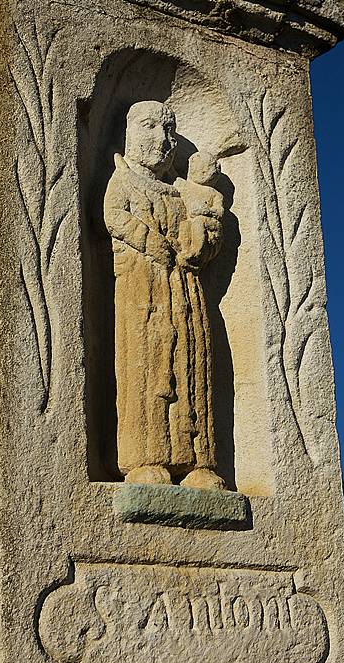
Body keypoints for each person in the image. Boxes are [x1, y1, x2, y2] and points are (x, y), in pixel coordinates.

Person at [104, 101, 224, 489]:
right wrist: (149, 242)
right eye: (150, 127)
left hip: (185, 292)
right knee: (148, 367)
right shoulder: (123, 181)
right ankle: (145, 458)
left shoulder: (180, 193)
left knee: (192, 367)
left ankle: (198, 462)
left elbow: (201, 241)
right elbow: (113, 217)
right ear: (130, 133)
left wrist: (201, 238)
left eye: (169, 130)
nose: (163, 138)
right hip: (142, 290)